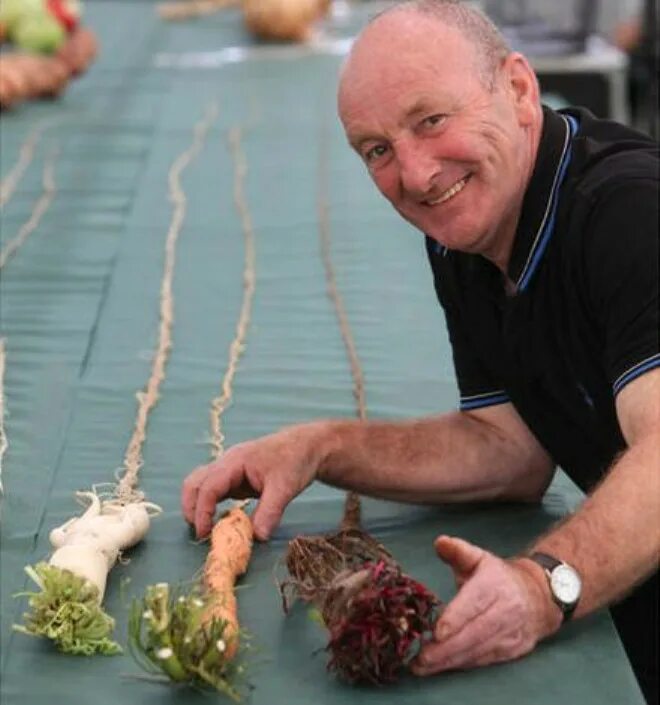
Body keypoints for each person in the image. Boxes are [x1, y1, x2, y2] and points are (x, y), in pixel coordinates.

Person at [182, 1, 659, 701]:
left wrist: (541, 585)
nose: (414, 173)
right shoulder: (468, 230)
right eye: (377, 149)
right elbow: (510, 451)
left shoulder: (630, 214)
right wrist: (317, 448)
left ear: (520, 90)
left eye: (431, 121)